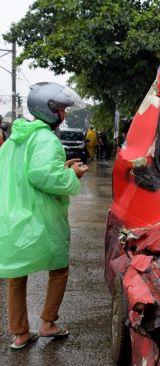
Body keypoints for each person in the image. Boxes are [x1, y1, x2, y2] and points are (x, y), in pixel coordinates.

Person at [0, 82, 88, 350]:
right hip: (40, 217)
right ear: (49, 110)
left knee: (16, 275)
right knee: (59, 269)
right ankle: (48, 323)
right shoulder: (45, 138)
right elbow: (42, 176)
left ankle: (19, 333)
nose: (65, 114)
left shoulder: (18, 137)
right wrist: (72, 174)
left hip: (14, 217)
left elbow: (27, 171)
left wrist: (61, 167)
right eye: (62, 109)